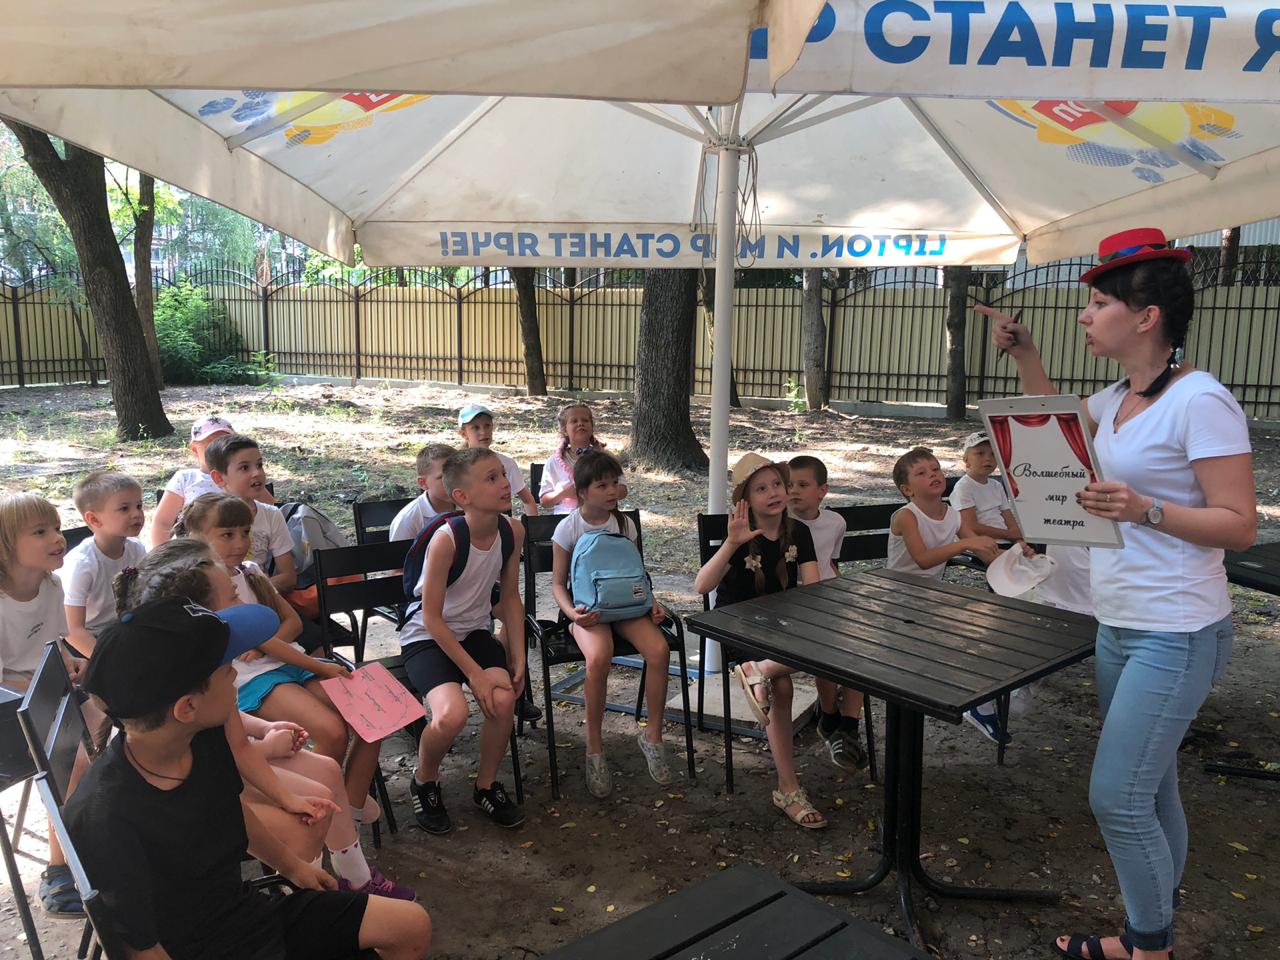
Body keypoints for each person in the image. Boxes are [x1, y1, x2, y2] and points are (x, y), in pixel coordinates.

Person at [980, 227, 1255, 960]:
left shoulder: (1201, 400)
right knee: (1152, 789)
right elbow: (1055, 431)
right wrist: (1025, 355)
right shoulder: (1119, 397)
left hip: (1178, 629)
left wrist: (1145, 510)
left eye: (1100, 302)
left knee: (1117, 796)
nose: (1086, 314)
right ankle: (1148, 926)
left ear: (1146, 317)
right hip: (1119, 622)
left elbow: (1240, 525)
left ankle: (1148, 947)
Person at [65, 597, 432, 960]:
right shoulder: (104, 815)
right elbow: (141, 947)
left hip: (244, 916)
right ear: (187, 707)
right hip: (191, 950)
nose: (235, 675)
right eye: (226, 669)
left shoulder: (201, 739)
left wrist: (293, 867)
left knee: (411, 925)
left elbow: (230, 807)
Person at [122, 528, 414, 901]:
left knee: (326, 772)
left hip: (225, 767)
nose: (238, 595)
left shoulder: (209, 661)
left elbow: (231, 731)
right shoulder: (185, 683)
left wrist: (264, 728)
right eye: (231, 596)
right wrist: (269, 750)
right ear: (197, 612)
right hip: (194, 794)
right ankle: (308, 898)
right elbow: (211, 760)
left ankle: (354, 880)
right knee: (312, 812)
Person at [177, 492, 389, 836]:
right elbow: (264, 638)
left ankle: (345, 810)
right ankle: (318, 819)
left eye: (245, 532)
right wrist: (298, 657)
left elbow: (291, 623)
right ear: (195, 537)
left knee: (376, 715)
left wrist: (264, 643)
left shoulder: (252, 572)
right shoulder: (204, 586)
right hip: (251, 679)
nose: (240, 542)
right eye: (227, 534)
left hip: (289, 663)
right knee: (332, 731)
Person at [693, 454, 826, 830]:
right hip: (738, 624)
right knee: (782, 688)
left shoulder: (799, 532)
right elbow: (702, 586)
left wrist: (815, 622)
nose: (773, 493)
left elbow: (813, 591)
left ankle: (761, 670)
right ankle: (789, 789)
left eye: (778, 484)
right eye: (761, 488)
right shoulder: (740, 534)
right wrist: (730, 544)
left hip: (780, 624)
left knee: (825, 644)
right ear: (746, 500)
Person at [400, 448, 527, 834]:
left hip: (473, 633)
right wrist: (475, 674)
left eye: (502, 474)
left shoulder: (512, 530)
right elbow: (431, 618)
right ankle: (425, 779)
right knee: (451, 714)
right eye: (492, 478)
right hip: (427, 636)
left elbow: (510, 598)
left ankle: (486, 786)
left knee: (503, 699)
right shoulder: (447, 539)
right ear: (462, 496)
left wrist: (518, 657)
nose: (505, 483)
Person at [549, 451, 672, 797]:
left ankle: (653, 736)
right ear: (582, 492)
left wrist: (652, 602)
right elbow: (557, 584)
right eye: (602, 485)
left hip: (628, 607)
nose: (612, 491)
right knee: (599, 656)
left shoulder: (624, 524)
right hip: (587, 612)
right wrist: (573, 614)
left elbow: (635, 572)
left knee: (659, 651)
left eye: (614, 483)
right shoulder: (569, 527)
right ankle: (594, 746)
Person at [0, 492, 91, 919]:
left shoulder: (51, 584)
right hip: (9, 711)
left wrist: (70, 662)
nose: (58, 538)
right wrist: (49, 678)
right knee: (73, 759)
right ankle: (59, 871)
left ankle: (102, 838)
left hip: (47, 692)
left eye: (56, 527)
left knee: (120, 720)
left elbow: (55, 644)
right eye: (40, 532)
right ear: (6, 546)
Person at [886, 447, 1014, 742]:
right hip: (898, 599)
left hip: (932, 598)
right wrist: (964, 545)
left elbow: (986, 552)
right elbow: (923, 559)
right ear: (907, 489)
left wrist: (1017, 560)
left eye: (936, 469)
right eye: (922, 473)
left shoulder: (952, 515)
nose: (933, 475)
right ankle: (973, 703)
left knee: (990, 627)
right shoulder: (906, 516)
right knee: (966, 632)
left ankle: (980, 706)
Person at [786, 455, 867, 772]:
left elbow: (830, 563)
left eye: (802, 484)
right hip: (797, 604)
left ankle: (848, 725)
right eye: (789, 484)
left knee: (860, 644)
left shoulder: (835, 522)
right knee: (829, 648)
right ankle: (830, 715)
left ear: (822, 490)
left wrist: (845, 597)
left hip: (830, 597)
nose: (794, 491)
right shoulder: (781, 522)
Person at [59, 470, 147, 656]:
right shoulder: (83, 564)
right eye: (124, 508)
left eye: (139, 506)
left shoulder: (137, 549)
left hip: (120, 628)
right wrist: (107, 662)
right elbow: (72, 630)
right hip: (84, 641)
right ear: (94, 519)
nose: (137, 514)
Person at [206, 433, 297, 593]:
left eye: (259, 465)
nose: (257, 473)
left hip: (261, 596)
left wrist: (250, 592)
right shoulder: (205, 517)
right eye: (244, 468)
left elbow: (288, 577)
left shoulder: (272, 515)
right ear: (219, 478)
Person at [150, 416, 236, 548]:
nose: (220, 451)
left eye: (227, 445)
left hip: (238, 546)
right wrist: (161, 554)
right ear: (195, 450)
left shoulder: (243, 475)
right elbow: (162, 522)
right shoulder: (186, 478)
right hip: (193, 550)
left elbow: (268, 508)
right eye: (211, 446)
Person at [539, 402, 621, 515]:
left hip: (601, 517)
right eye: (574, 421)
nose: (580, 423)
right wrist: (564, 493)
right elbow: (544, 502)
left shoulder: (606, 458)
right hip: (564, 518)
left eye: (585, 420)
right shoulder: (554, 462)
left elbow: (622, 490)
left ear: (592, 427)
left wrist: (597, 492)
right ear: (564, 430)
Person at [457, 404, 538, 516]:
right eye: (475, 428)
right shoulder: (456, 466)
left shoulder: (507, 463)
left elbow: (528, 500)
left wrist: (533, 525)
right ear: (464, 434)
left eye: (487, 426)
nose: (483, 432)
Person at [951, 433, 1021, 543]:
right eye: (980, 453)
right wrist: (1009, 535)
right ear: (966, 460)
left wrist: (1018, 540)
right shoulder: (964, 487)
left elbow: (1008, 517)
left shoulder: (997, 485)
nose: (988, 458)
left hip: (1007, 541)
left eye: (993, 454)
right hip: (983, 545)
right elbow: (971, 526)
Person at [389, 444, 456, 542]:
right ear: (423, 483)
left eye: (457, 474)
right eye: (443, 477)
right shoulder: (408, 520)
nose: (454, 481)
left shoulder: (469, 505)